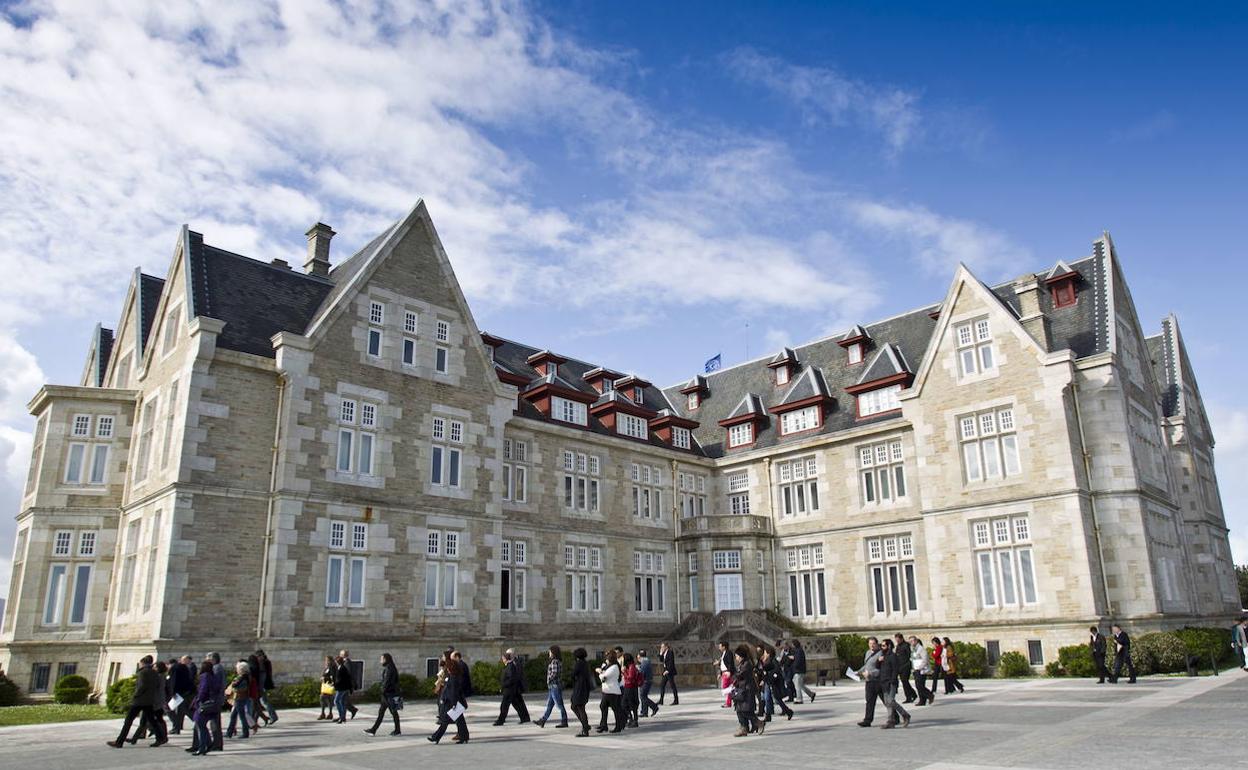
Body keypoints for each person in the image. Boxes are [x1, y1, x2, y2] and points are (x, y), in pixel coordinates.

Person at [107, 655, 168, 748]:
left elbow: (141, 686)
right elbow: (156, 686)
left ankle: (119, 741)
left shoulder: (143, 672)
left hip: (139, 700)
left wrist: (135, 695)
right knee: (152, 721)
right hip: (149, 700)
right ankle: (160, 738)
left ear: (142, 663)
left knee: (128, 721)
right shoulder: (155, 673)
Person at [429, 656, 469, 744]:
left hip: (452, 703)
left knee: (446, 721)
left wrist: (454, 704)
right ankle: (464, 736)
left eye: (448, 667)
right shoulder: (452, 676)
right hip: (452, 703)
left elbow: (453, 692)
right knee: (459, 721)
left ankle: (436, 737)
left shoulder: (454, 678)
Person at [131, 660, 171, 743]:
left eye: (155, 667)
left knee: (151, 720)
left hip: (155, 701)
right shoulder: (161, 676)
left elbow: (156, 689)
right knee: (151, 719)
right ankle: (136, 737)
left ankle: (161, 737)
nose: (153, 668)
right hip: (156, 700)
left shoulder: (159, 676)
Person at [188, 660, 222, 756]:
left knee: (200, 725)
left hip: (204, 705)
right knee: (203, 725)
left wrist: (198, 700)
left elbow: (203, 690)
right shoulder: (214, 677)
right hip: (213, 704)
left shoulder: (204, 676)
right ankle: (208, 744)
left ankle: (202, 747)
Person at [365, 653, 401, 736]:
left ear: (385, 659)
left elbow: (387, 682)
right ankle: (373, 729)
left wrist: (382, 690)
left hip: (389, 694)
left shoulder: (389, 668)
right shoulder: (390, 667)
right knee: (383, 712)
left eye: (381, 659)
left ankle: (397, 730)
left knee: (393, 712)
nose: (380, 661)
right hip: (388, 694)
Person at [878, 639, 911, 729]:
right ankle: (890, 721)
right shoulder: (883, 656)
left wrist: (892, 681)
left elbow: (895, 670)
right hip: (884, 682)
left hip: (891, 682)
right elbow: (879, 668)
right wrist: (879, 661)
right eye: (881, 646)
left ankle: (905, 714)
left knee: (891, 701)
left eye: (884, 646)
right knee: (887, 703)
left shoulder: (892, 656)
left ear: (889, 646)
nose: (882, 647)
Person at [731, 645, 762, 737]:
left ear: (741, 656)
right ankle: (743, 727)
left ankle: (759, 723)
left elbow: (739, 676)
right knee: (739, 710)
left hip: (747, 691)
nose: (736, 658)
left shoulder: (746, 664)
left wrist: (733, 676)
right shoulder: (742, 664)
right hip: (741, 690)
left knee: (746, 711)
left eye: (736, 656)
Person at [535, 645, 568, 728]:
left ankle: (564, 721)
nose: (549, 653)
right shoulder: (558, 661)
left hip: (554, 686)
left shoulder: (554, 662)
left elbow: (554, 673)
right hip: (554, 686)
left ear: (553, 652)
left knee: (559, 705)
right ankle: (543, 720)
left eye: (550, 651)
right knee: (549, 705)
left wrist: (549, 679)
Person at [494, 649, 530, 725]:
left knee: (504, 706)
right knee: (518, 704)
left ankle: (501, 720)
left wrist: (503, 685)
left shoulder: (511, 666)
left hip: (510, 690)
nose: (502, 660)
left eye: (503, 658)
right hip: (512, 689)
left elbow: (512, 678)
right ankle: (525, 718)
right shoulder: (509, 665)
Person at [759, 646, 793, 722]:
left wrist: (770, 679)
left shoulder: (773, 661)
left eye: (765, 653)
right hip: (768, 682)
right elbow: (765, 672)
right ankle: (769, 715)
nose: (764, 654)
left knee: (777, 699)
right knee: (768, 698)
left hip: (773, 682)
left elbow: (776, 672)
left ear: (768, 653)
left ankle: (788, 711)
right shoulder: (767, 661)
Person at [857, 637, 884, 727]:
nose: (871, 645)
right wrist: (859, 672)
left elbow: (880, 669)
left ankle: (895, 717)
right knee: (869, 701)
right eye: (870, 644)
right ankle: (867, 720)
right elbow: (866, 665)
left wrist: (870, 673)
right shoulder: (868, 653)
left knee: (886, 701)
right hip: (869, 681)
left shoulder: (880, 654)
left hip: (877, 681)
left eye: (873, 643)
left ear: (877, 644)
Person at [595, 649, 624, 733]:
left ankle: (618, 726)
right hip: (607, 690)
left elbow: (604, 677)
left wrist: (599, 672)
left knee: (615, 709)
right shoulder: (609, 666)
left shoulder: (614, 667)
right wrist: (602, 670)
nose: (606, 658)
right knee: (603, 706)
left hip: (612, 691)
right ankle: (604, 725)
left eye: (607, 656)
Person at [569, 647, 593, 737]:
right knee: (575, 706)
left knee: (579, 707)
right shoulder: (585, 663)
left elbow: (573, 674)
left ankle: (585, 728)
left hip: (580, 688)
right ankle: (585, 725)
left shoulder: (579, 663)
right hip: (584, 688)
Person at [225, 661, 252, 739]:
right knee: (234, 715)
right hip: (241, 697)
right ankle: (229, 732)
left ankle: (245, 732)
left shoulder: (242, 677)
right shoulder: (246, 676)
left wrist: (233, 684)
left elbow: (234, 685)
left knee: (241, 716)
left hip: (239, 698)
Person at [171, 656, 195, 735]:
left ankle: (196, 720)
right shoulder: (185, 668)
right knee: (181, 710)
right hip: (185, 691)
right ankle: (177, 727)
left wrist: (173, 692)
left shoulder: (177, 668)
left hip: (180, 692)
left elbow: (174, 681)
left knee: (182, 709)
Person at [909, 636, 933, 706]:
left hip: (921, 670)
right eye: (910, 641)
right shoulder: (913, 649)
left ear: (916, 641)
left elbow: (925, 659)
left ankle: (930, 695)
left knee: (920, 686)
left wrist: (919, 667)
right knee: (918, 686)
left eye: (913, 641)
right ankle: (922, 700)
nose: (911, 643)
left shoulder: (921, 649)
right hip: (916, 670)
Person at [256, 650, 278, 725]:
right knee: (259, 703)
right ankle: (255, 721)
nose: (258, 658)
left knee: (264, 702)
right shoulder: (265, 663)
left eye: (259, 656)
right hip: (262, 687)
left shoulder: (263, 665)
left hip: (262, 687)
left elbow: (264, 677)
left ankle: (273, 716)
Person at [791, 639, 816, 704]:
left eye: (792, 644)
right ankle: (811, 694)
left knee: (797, 686)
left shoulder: (799, 651)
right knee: (801, 685)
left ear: (794, 644)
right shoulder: (798, 651)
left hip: (798, 671)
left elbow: (798, 661)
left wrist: (794, 664)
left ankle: (799, 699)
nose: (792, 646)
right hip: (799, 670)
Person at [893, 634, 917, 703]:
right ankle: (913, 694)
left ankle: (909, 697)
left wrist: (907, 665)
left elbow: (909, 656)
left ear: (901, 639)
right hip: (899, 666)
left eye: (898, 640)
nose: (897, 641)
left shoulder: (906, 645)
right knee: (904, 682)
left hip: (906, 666)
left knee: (905, 682)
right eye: (896, 640)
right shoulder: (898, 646)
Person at [621, 652, 642, 727]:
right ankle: (631, 718)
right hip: (628, 687)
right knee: (624, 704)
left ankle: (634, 720)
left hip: (631, 687)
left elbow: (630, 677)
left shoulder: (632, 667)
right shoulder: (629, 667)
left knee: (632, 704)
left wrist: (624, 673)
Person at [637, 649, 659, 718]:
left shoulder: (645, 662)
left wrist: (638, 669)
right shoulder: (646, 661)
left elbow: (642, 673)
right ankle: (644, 712)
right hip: (647, 681)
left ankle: (654, 707)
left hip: (645, 681)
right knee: (643, 696)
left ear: (640, 656)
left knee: (643, 696)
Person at [338, 649, 360, 719]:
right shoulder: (344, 662)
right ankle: (352, 710)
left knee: (341, 700)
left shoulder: (347, 662)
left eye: (340, 654)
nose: (339, 655)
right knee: (343, 700)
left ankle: (342, 716)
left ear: (343, 655)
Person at [332, 655, 354, 723]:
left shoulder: (342, 668)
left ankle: (341, 716)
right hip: (344, 687)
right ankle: (342, 717)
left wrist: (334, 684)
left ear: (337, 662)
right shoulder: (341, 667)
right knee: (342, 702)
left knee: (336, 701)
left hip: (342, 688)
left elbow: (341, 680)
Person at [319, 655, 336, 719]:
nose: (326, 662)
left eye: (327, 660)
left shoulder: (332, 667)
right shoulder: (327, 668)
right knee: (323, 698)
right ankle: (323, 713)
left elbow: (333, 676)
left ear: (330, 661)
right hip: (325, 686)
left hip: (329, 686)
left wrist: (325, 678)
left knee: (328, 699)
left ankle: (329, 713)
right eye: (326, 660)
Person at [717, 641, 733, 708]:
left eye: (720, 646)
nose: (719, 648)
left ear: (724, 647)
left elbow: (730, 663)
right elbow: (723, 664)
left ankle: (729, 702)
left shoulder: (728, 653)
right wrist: (720, 673)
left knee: (726, 687)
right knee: (727, 687)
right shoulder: (723, 653)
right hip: (724, 672)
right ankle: (729, 702)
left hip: (727, 672)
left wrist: (729, 671)